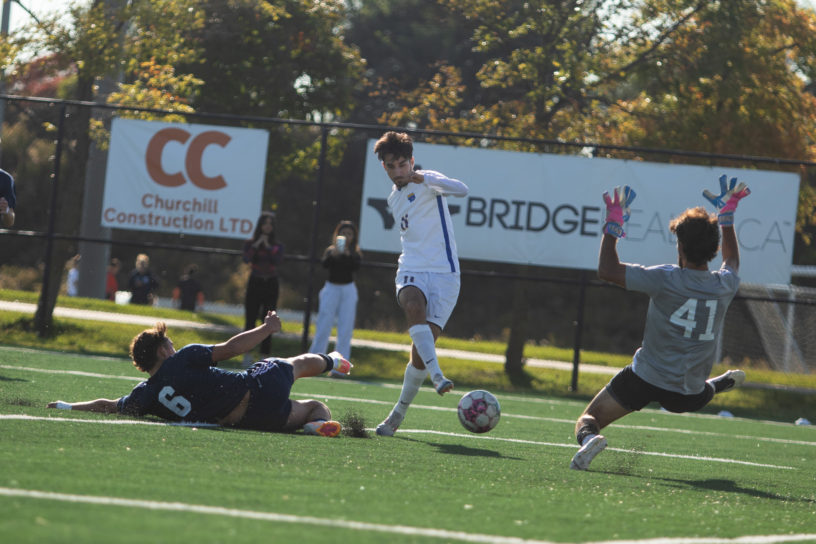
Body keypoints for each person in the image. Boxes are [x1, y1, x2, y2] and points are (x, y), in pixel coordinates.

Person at [570, 177, 751, 471]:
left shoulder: (665, 279)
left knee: (588, 419)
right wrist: (727, 219)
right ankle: (720, 383)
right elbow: (732, 261)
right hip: (689, 394)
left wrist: (613, 226)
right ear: (713, 249)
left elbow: (607, 270)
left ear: (679, 246)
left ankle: (591, 440)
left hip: (644, 378)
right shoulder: (724, 285)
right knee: (705, 392)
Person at [47, 310, 353, 436]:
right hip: (257, 388)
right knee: (294, 364)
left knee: (306, 408)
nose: (173, 345)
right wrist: (267, 328)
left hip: (250, 421)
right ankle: (333, 360)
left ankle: (313, 426)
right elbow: (231, 349)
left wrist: (67, 406)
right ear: (162, 351)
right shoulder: (183, 358)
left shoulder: (145, 395)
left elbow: (108, 406)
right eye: (169, 342)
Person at [373, 131, 469, 437]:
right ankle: (438, 375)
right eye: (392, 166)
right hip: (411, 268)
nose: (399, 171)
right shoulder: (393, 198)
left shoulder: (428, 180)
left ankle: (398, 412)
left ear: (411, 162)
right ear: (385, 167)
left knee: (419, 353)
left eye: (403, 164)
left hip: (445, 274)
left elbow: (462, 190)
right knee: (412, 304)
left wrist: (425, 179)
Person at [309, 220, 362, 368]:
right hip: (331, 289)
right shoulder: (330, 250)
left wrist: (347, 255)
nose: (346, 236)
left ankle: (341, 367)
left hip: (348, 290)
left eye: (349, 234)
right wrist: (334, 254)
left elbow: (356, 267)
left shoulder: (355, 253)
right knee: (323, 326)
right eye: (343, 233)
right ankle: (314, 363)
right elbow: (325, 264)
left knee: (345, 329)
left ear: (353, 237)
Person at [243, 211, 284, 361]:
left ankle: (264, 357)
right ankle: (246, 355)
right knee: (250, 318)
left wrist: (267, 247)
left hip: (271, 284)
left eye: (270, 224)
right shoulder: (251, 242)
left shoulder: (277, 246)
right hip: (255, 282)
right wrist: (255, 245)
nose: (267, 227)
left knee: (268, 321)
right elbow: (246, 258)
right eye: (264, 223)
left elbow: (277, 260)